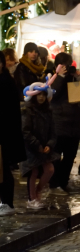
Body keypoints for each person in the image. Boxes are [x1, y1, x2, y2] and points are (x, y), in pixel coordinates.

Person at [20, 82, 59, 210]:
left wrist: (49, 145)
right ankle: (32, 198)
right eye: (39, 94)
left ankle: (38, 190)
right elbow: (25, 131)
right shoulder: (28, 110)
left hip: (44, 146)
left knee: (49, 169)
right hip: (31, 147)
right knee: (33, 171)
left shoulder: (48, 111)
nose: (41, 97)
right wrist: (36, 145)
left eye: (43, 94)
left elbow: (53, 132)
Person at [48, 54, 80, 192]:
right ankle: (54, 183)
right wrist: (59, 76)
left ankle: (64, 181)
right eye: (63, 65)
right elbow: (52, 93)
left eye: (68, 65)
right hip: (59, 121)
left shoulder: (73, 76)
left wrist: (78, 78)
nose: (66, 68)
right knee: (56, 155)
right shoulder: (51, 77)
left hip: (74, 121)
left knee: (70, 155)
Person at [0, 56, 25, 215]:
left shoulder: (6, 82)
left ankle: (7, 202)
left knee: (3, 169)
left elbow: (10, 111)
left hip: (4, 133)